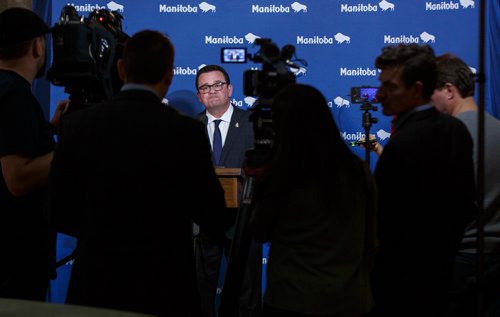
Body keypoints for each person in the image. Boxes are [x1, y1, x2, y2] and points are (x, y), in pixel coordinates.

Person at [49, 30, 232, 316]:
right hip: (165, 288)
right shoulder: (187, 132)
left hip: (96, 286)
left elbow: (59, 211)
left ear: (121, 68)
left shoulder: (78, 125)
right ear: (170, 75)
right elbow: (213, 215)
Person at [251, 84, 378, 317]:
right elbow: (372, 237)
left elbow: (259, 230)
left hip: (293, 300)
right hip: (349, 299)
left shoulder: (282, 176)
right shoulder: (357, 171)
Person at [371, 44, 477, 316]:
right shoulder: (456, 129)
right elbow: (465, 206)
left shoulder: (404, 144)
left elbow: (385, 222)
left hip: (401, 285)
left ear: (417, 89)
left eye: (390, 87)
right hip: (444, 274)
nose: (379, 95)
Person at [0, 7, 66, 301]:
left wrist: (48, 130)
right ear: (39, 46)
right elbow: (18, 178)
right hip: (16, 258)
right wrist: (73, 145)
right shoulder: (15, 95)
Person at [431, 53, 500, 316]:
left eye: (431, 94)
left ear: (449, 91)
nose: (429, 102)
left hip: (460, 261)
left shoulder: (446, 138)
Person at [193, 64, 260, 317]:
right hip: (204, 223)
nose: (212, 91)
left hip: (244, 220)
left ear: (230, 89)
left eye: (218, 85)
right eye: (205, 87)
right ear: (199, 95)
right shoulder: (191, 128)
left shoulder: (252, 123)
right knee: (201, 293)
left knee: (247, 293)